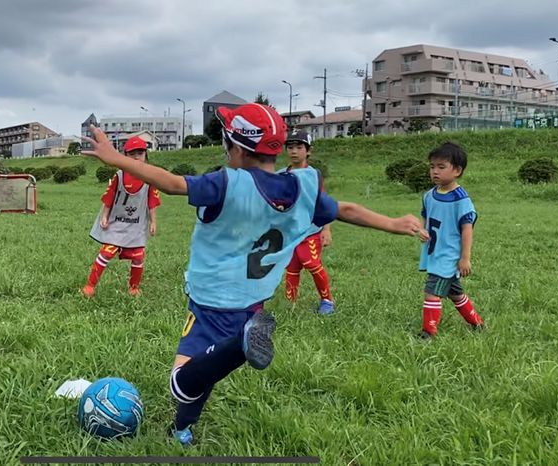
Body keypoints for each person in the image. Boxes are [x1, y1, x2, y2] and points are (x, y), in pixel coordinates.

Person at [80, 103, 423, 446]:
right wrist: (392, 223)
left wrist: (116, 158)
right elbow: (344, 209)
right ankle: (182, 429)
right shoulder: (301, 187)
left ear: (237, 148)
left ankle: (240, 346)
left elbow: (171, 184)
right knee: (206, 368)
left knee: (180, 380)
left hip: (212, 302)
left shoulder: (225, 183)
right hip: (253, 302)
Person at [416, 142, 484, 339]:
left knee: (432, 292)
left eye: (441, 167)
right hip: (434, 253)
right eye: (432, 167)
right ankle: (477, 324)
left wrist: (465, 258)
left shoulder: (461, 200)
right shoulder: (429, 195)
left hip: (448, 256)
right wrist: (421, 229)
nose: (435, 171)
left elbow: (467, 229)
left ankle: (428, 334)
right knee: (455, 293)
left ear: (457, 170)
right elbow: (425, 216)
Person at [82, 136, 161, 297]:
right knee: (106, 252)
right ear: (125, 155)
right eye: (132, 153)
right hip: (117, 222)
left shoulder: (150, 177)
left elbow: (152, 201)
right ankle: (90, 286)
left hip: (137, 225)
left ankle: (134, 288)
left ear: (146, 154)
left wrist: (153, 222)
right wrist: (104, 216)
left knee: (139, 256)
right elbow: (109, 198)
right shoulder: (119, 176)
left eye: (140, 152)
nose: (137, 156)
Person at [279, 131, 336, 315]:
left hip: (310, 230)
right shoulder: (281, 175)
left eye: (299, 147)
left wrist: (326, 229)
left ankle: (327, 300)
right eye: (290, 147)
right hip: (290, 233)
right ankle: (291, 304)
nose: (294, 151)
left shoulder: (314, 175)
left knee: (312, 263)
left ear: (308, 151)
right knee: (292, 268)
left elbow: (323, 203)